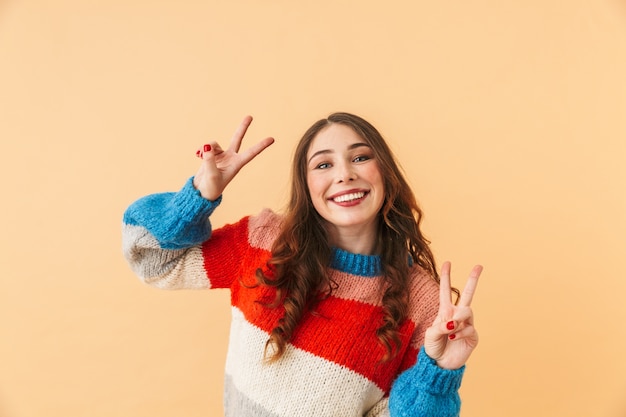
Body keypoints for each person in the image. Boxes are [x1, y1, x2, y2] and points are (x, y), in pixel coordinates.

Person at [122, 112, 483, 417]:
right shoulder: (263, 241)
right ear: (306, 186)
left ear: (385, 173)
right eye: (324, 164)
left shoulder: (423, 304)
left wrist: (440, 372)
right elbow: (152, 258)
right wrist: (198, 195)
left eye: (360, 158)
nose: (344, 175)